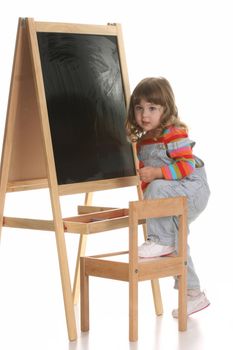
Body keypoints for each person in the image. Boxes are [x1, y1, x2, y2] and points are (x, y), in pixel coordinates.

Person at [126, 77, 211, 317]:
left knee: (156, 195)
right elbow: (146, 181)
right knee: (175, 240)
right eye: (139, 108)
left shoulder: (174, 133)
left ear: (166, 109)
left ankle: (159, 240)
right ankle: (193, 294)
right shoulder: (143, 142)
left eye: (152, 108)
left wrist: (156, 173)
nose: (145, 114)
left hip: (191, 188)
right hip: (170, 193)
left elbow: (186, 167)